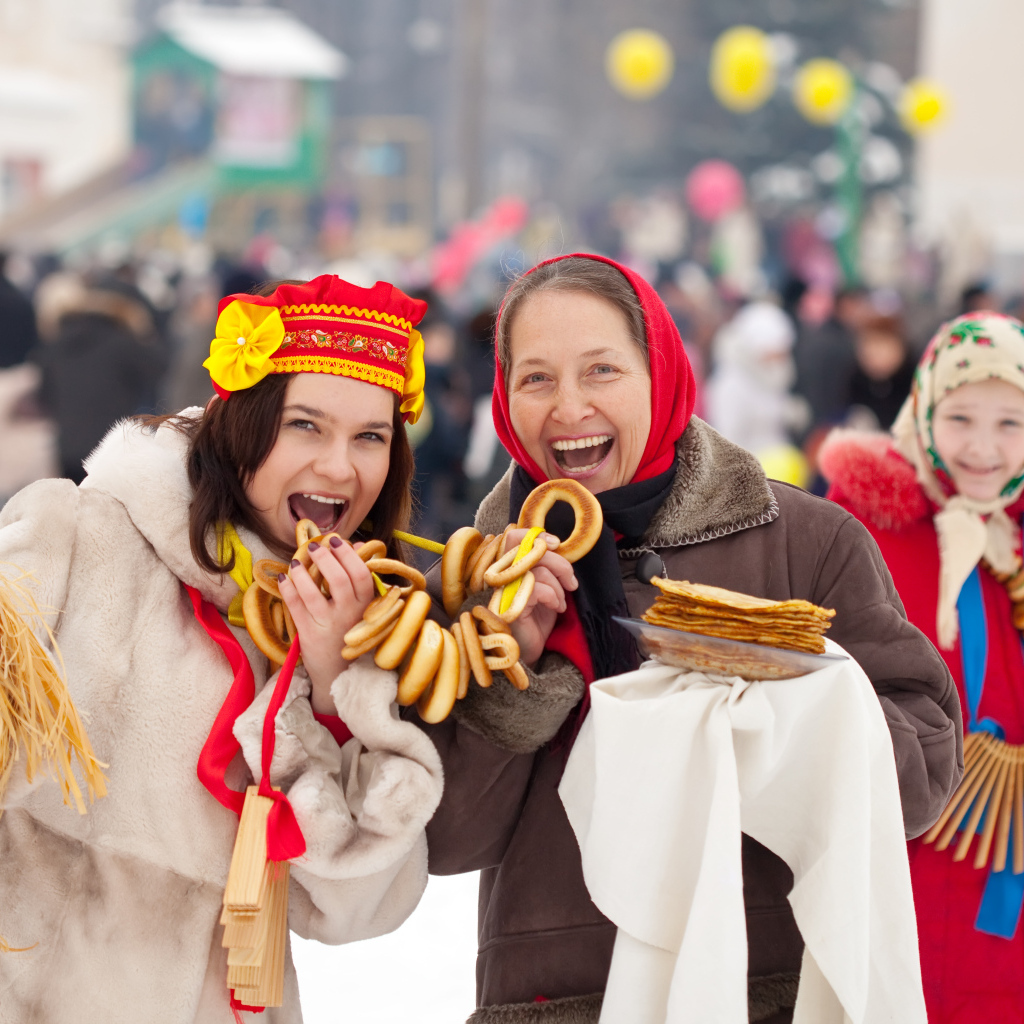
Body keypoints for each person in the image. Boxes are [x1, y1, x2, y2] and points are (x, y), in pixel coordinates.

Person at [416, 253, 962, 1024]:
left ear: (661, 372)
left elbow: (927, 772)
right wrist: (518, 671)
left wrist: (775, 720)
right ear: (505, 398)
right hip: (553, 998)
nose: (568, 407)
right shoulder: (477, 574)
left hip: (763, 992)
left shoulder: (807, 543)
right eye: (536, 378)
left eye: (602, 369)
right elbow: (446, 839)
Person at [0, 274, 443, 1023]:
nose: (342, 467)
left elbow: (358, 908)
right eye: (307, 425)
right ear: (243, 422)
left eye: (371, 436)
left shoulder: (363, 627)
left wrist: (336, 680)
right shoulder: (74, 537)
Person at [820, 311, 1024, 1024]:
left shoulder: (1015, 540)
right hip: (896, 864)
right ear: (925, 408)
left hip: (1002, 871)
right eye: (962, 417)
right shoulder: (861, 532)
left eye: (1010, 424)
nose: (984, 448)